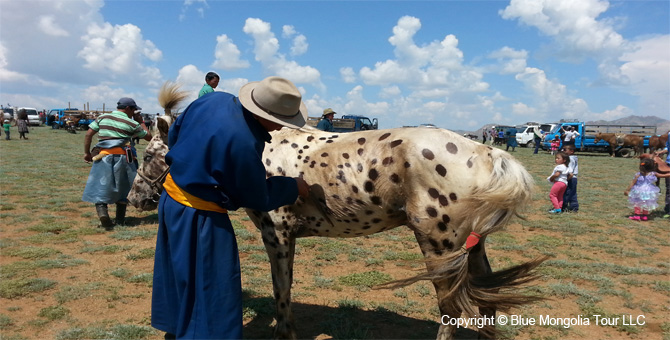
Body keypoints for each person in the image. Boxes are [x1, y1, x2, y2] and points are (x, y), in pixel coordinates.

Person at [151, 76, 310, 340]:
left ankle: (178, 326)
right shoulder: (244, 142)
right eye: (281, 122)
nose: (281, 129)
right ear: (263, 115)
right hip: (200, 215)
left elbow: (176, 134)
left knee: (179, 270)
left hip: (172, 198)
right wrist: (292, 187)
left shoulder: (213, 99)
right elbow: (255, 195)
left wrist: (193, 164)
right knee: (212, 283)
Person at [82, 97, 152, 230]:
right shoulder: (132, 124)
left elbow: (88, 134)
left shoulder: (103, 117)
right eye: (133, 110)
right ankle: (120, 219)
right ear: (127, 109)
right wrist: (141, 122)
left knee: (100, 185)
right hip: (124, 158)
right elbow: (149, 137)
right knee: (124, 187)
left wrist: (87, 153)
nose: (134, 113)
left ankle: (103, 213)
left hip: (103, 157)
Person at [654, 130, 670, 218]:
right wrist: (661, 152)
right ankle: (668, 210)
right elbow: (668, 147)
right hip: (669, 163)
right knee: (669, 188)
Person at [562, 145, 579, 212]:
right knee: (572, 193)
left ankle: (564, 206)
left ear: (571, 151)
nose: (563, 151)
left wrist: (566, 179)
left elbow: (571, 172)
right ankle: (574, 207)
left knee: (567, 193)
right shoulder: (573, 158)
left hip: (571, 178)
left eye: (565, 149)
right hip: (574, 178)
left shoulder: (570, 159)